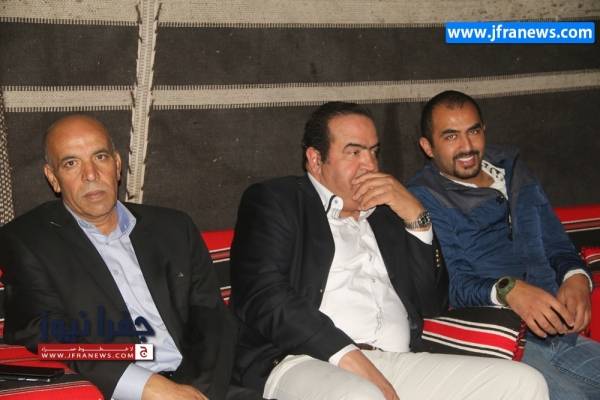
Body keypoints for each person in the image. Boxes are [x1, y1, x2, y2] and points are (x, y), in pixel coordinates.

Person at [229, 101, 548, 400]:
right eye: (354, 152)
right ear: (315, 159)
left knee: (525, 382)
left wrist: (417, 219)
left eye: (373, 151)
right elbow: (263, 294)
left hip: (396, 361)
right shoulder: (278, 200)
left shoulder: (386, 213)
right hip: (303, 359)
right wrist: (346, 353)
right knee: (364, 396)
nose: (369, 165)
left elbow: (431, 303)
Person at [0, 115, 260, 400]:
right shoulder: (28, 240)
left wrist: (199, 391)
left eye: (100, 157)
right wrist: (145, 386)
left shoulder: (174, 228)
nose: (90, 174)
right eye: (71, 163)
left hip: (205, 387)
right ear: (53, 177)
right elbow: (45, 333)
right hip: (117, 391)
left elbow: (212, 317)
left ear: (117, 164)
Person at [409, 90, 600, 400]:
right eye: (451, 136)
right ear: (427, 146)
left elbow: (557, 244)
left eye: (473, 131)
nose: (467, 146)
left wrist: (576, 277)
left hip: (559, 332)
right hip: (497, 341)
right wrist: (509, 290)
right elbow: (451, 285)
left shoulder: (513, 168)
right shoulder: (425, 197)